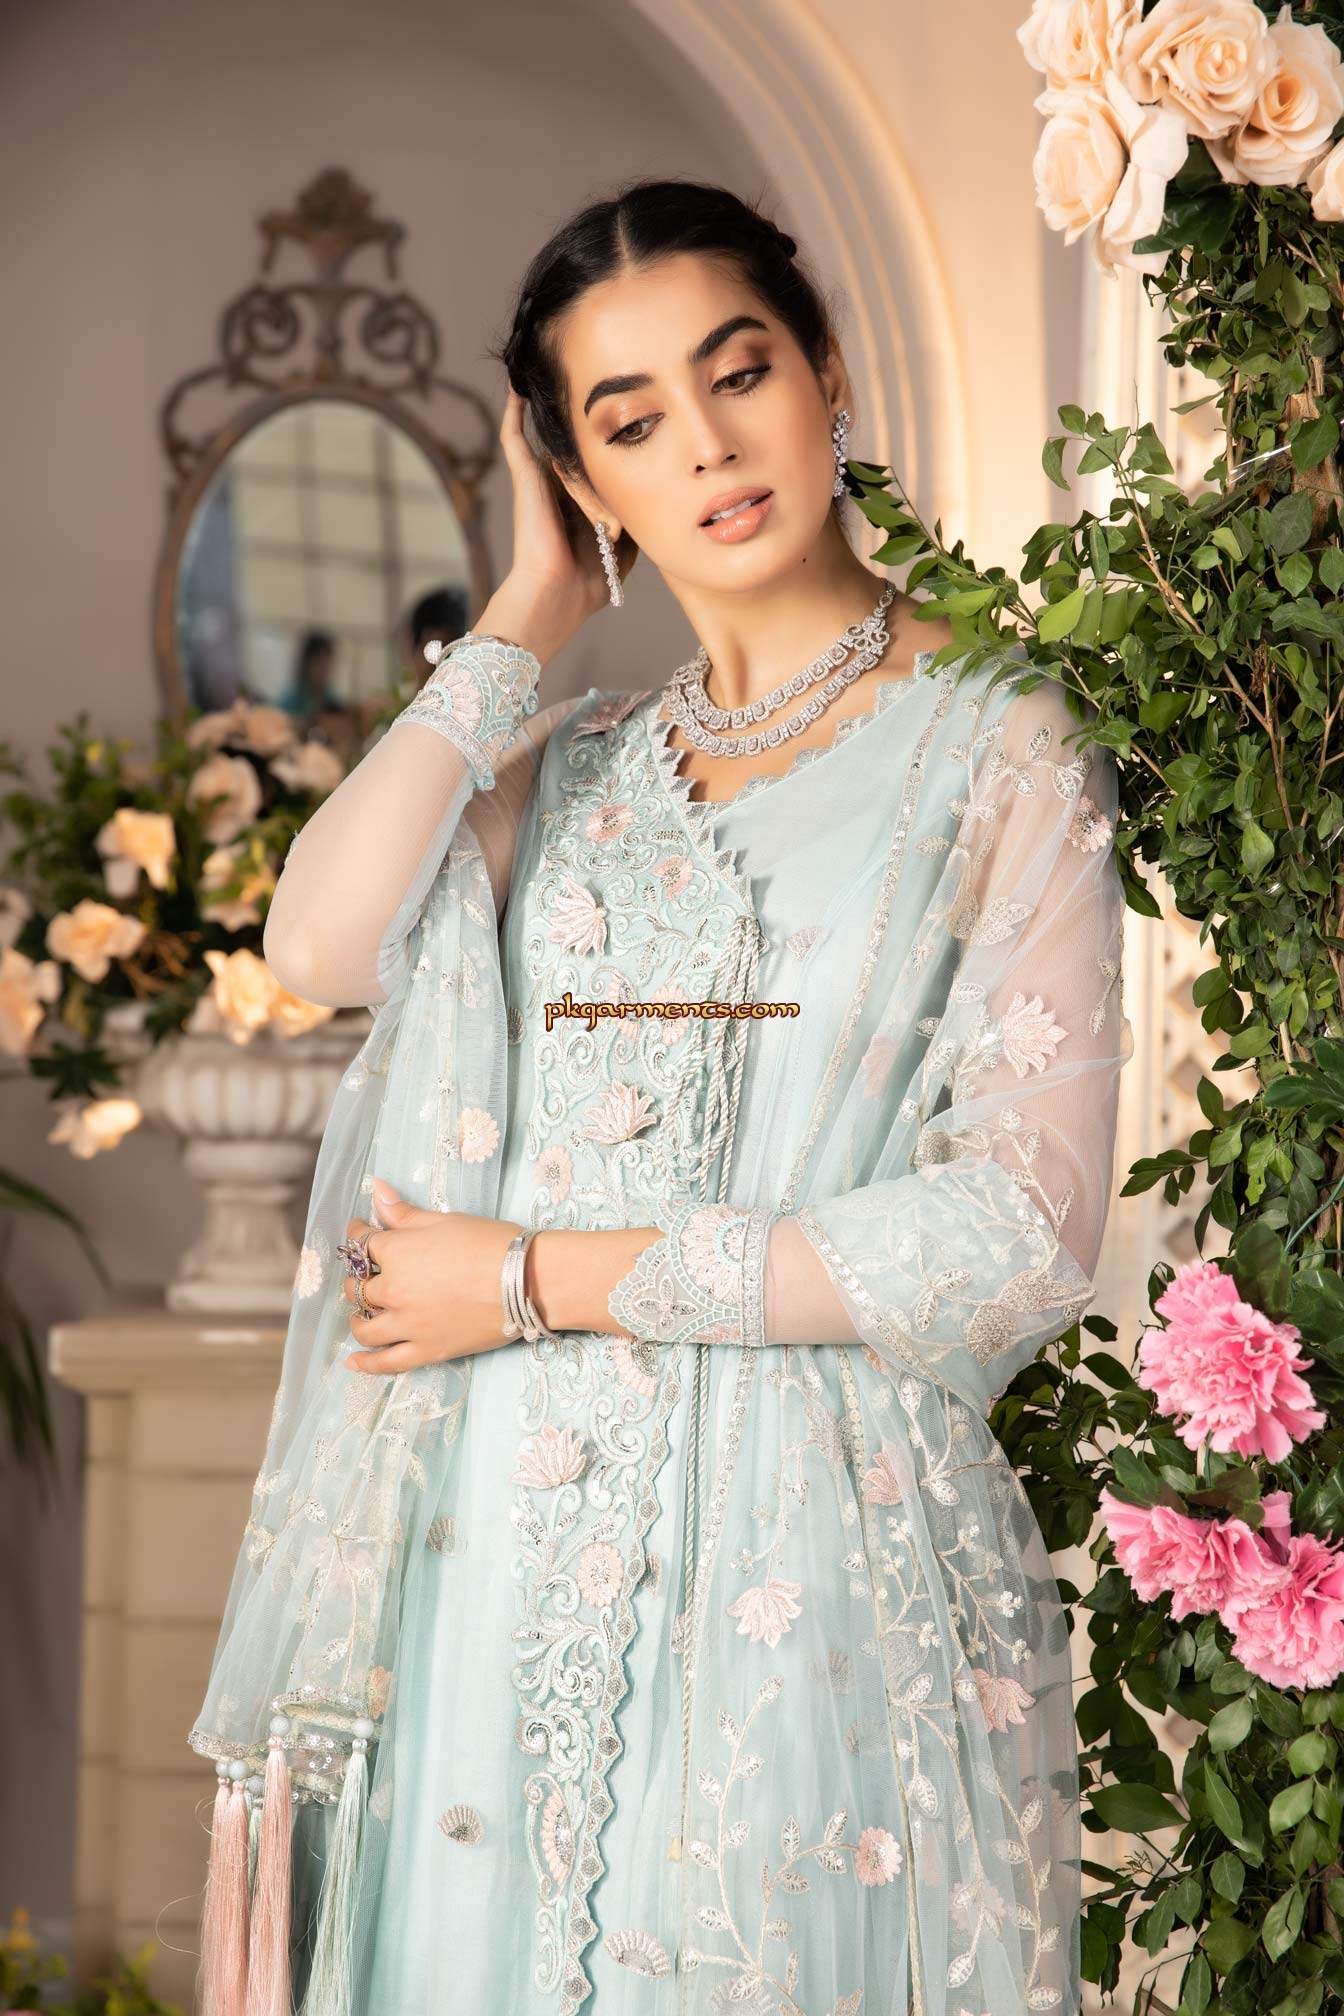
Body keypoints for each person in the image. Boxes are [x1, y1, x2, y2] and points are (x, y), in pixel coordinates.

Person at [189, 176, 1133, 2016]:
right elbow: (318, 940)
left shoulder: (1001, 741)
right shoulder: (571, 773)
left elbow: (1020, 1230)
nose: (704, 446)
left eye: (738, 373)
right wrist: (533, 603)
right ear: (580, 475)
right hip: (488, 1576)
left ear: (828, 372)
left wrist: (533, 1278)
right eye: (628, 422)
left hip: (801, 1573)